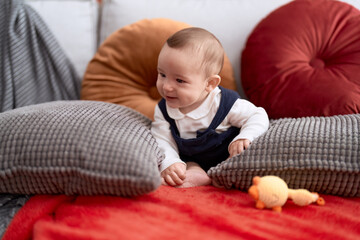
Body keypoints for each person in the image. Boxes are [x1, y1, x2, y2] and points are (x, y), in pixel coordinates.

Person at [151, 27, 269, 188]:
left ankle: (224, 173)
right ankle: (197, 174)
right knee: (187, 164)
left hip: (227, 155)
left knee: (240, 157)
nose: (166, 87)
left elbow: (257, 115)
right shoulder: (164, 110)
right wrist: (171, 162)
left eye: (179, 80)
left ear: (210, 84)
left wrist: (245, 137)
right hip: (192, 159)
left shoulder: (225, 104)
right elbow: (162, 140)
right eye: (162, 74)